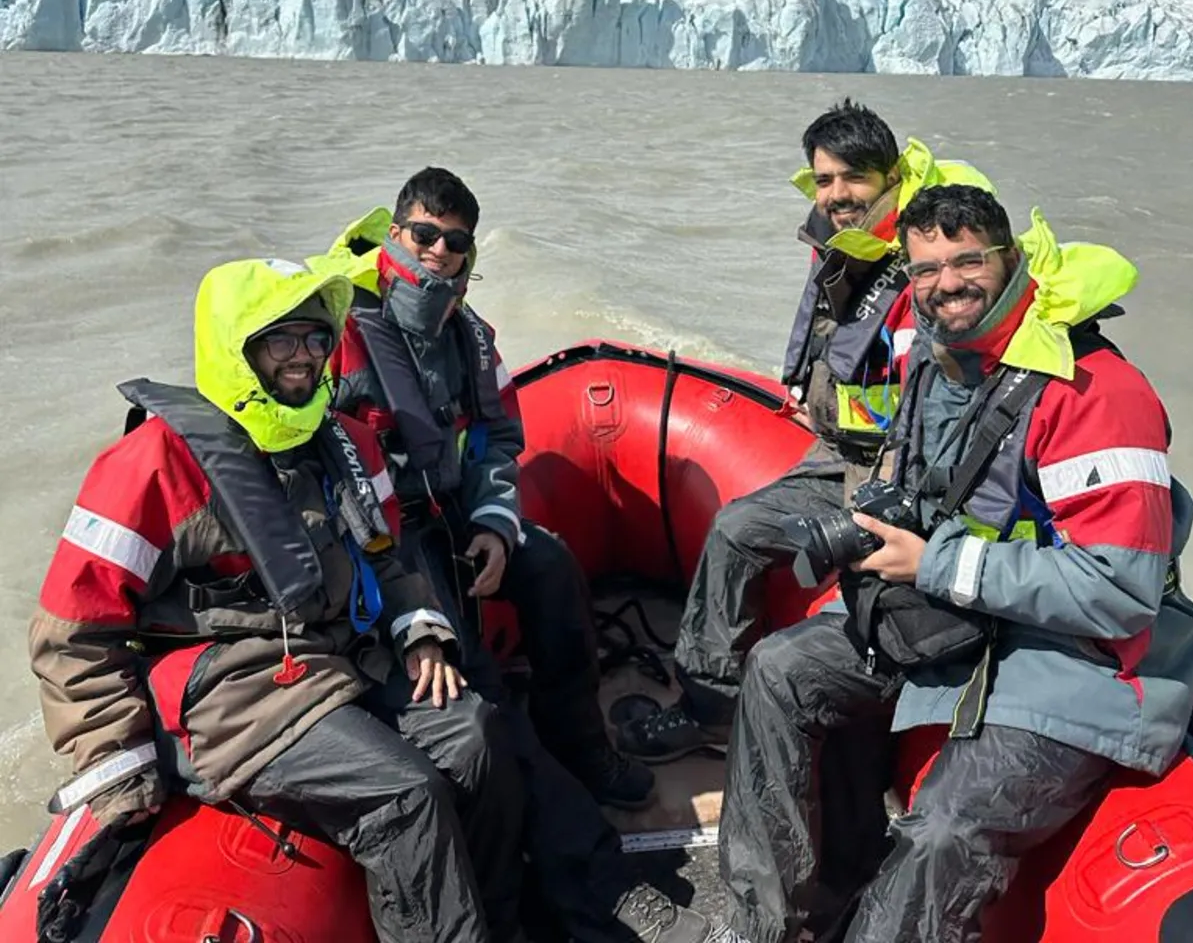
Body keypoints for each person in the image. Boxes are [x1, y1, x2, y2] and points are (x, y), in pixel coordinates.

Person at [710, 184, 1193, 943]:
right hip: (959, 620)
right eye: (925, 269)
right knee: (779, 671)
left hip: (1076, 657)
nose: (946, 284)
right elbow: (920, 489)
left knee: (942, 829)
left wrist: (937, 564)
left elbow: (1122, 592)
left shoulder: (1097, 391)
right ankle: (765, 924)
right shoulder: (942, 366)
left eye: (967, 260)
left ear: (1009, 258)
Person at [29, 257, 524, 943]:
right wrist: (121, 766)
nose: (304, 358)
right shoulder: (156, 464)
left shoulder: (344, 443)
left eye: (316, 340)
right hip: (236, 698)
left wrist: (421, 629)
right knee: (406, 796)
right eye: (281, 341)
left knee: (475, 736)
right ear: (240, 348)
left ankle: (502, 923)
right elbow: (69, 631)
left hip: (339, 661)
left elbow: (392, 553)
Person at [317, 170, 711, 943]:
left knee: (552, 566)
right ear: (393, 233)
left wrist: (497, 528)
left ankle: (582, 745)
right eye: (422, 235)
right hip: (387, 538)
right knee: (479, 697)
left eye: (454, 243)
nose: (436, 253)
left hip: (458, 518)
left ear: (469, 255)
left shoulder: (472, 337)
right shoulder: (337, 336)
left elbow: (498, 441)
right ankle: (584, 866)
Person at [621, 101, 990, 763]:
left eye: (853, 177)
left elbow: (936, 403)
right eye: (823, 180)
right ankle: (712, 705)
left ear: (892, 174)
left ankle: (722, 707)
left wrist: (882, 489)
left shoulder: (925, 266)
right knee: (735, 528)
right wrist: (813, 403)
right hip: (840, 452)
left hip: (884, 475)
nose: (837, 194)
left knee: (740, 530)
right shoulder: (848, 246)